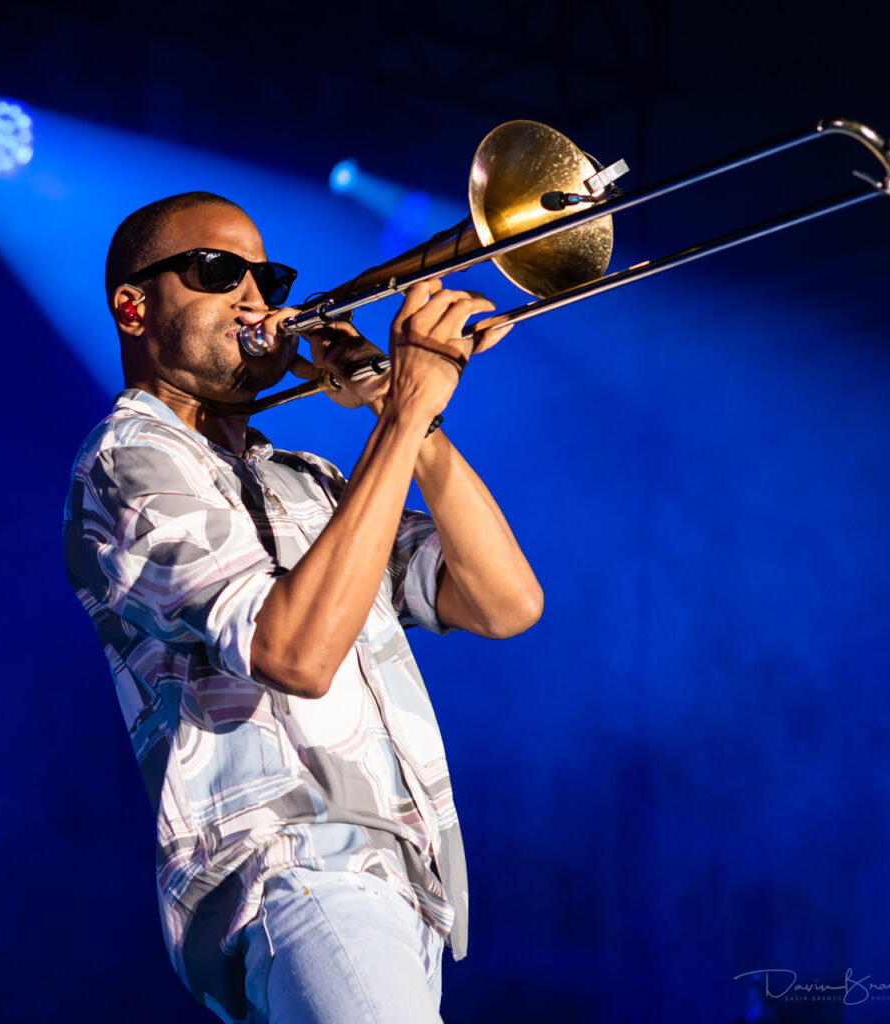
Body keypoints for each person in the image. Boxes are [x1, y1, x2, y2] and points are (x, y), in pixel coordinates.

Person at [63, 191, 543, 1024]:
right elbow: (293, 654)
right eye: (218, 272)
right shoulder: (128, 460)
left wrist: (408, 418)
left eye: (268, 275)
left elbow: (504, 601)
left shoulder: (307, 479)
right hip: (291, 868)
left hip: (403, 881)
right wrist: (401, 417)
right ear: (133, 306)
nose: (258, 298)